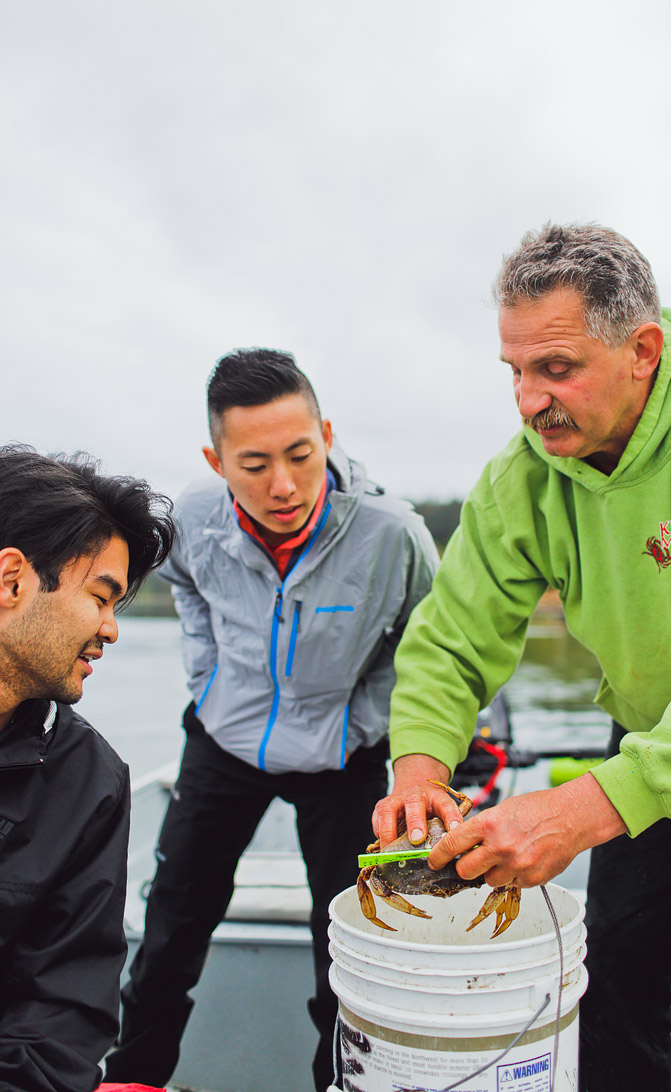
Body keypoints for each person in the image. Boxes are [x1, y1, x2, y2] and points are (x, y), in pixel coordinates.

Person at [374, 222, 671, 1092]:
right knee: (614, 973)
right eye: (516, 372)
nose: (530, 401)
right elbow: (451, 638)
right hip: (654, 736)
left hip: (669, 750)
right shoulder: (523, 477)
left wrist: (578, 813)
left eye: (556, 368)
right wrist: (418, 774)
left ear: (642, 350)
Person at [104, 348, 439, 1091]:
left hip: (343, 757)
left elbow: (430, 650)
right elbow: (185, 587)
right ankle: (133, 1079)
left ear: (326, 432)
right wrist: (209, 678)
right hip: (224, 740)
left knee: (350, 944)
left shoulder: (393, 533)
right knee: (169, 929)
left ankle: (342, 1084)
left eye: (300, 453)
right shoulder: (191, 513)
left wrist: (363, 721)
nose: (283, 485)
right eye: (254, 464)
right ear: (216, 459)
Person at [0, 445, 175, 1092]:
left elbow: (61, 1019)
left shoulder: (88, 780)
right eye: (101, 597)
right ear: (12, 581)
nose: (111, 628)